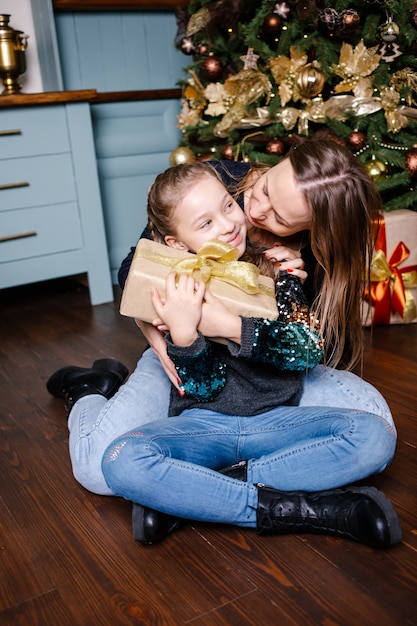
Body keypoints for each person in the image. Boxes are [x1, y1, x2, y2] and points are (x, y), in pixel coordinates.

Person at [46, 142, 398, 547]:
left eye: (280, 216)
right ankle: (90, 390)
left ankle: (190, 495)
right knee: (103, 466)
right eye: (262, 190)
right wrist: (176, 337)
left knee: (376, 429)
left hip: (272, 401)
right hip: (201, 412)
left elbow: (305, 347)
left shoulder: (279, 268)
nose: (247, 215)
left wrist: (236, 322)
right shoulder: (212, 186)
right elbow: (141, 276)